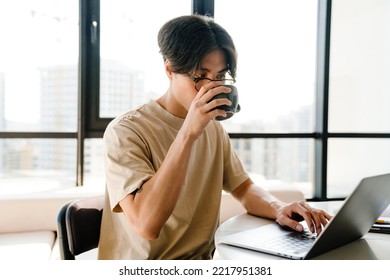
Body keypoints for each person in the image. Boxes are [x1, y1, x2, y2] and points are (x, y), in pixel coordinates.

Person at [98, 14, 331, 260]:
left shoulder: (213, 128)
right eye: (201, 75)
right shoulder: (125, 131)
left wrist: (279, 207)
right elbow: (146, 225)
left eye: (220, 76)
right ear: (169, 69)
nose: (212, 87)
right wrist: (188, 133)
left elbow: (243, 187)